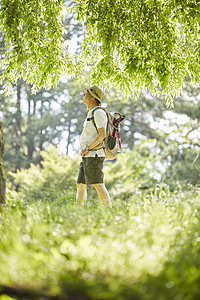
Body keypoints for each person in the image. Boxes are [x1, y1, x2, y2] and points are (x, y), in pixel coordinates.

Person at [76, 85, 111, 206]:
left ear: (92, 97)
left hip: (94, 155)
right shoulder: (91, 112)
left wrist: (87, 148)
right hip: (88, 155)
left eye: (86, 93)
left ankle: (109, 211)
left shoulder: (99, 112)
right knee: (81, 184)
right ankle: (78, 211)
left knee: (98, 184)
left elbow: (102, 135)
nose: (83, 95)